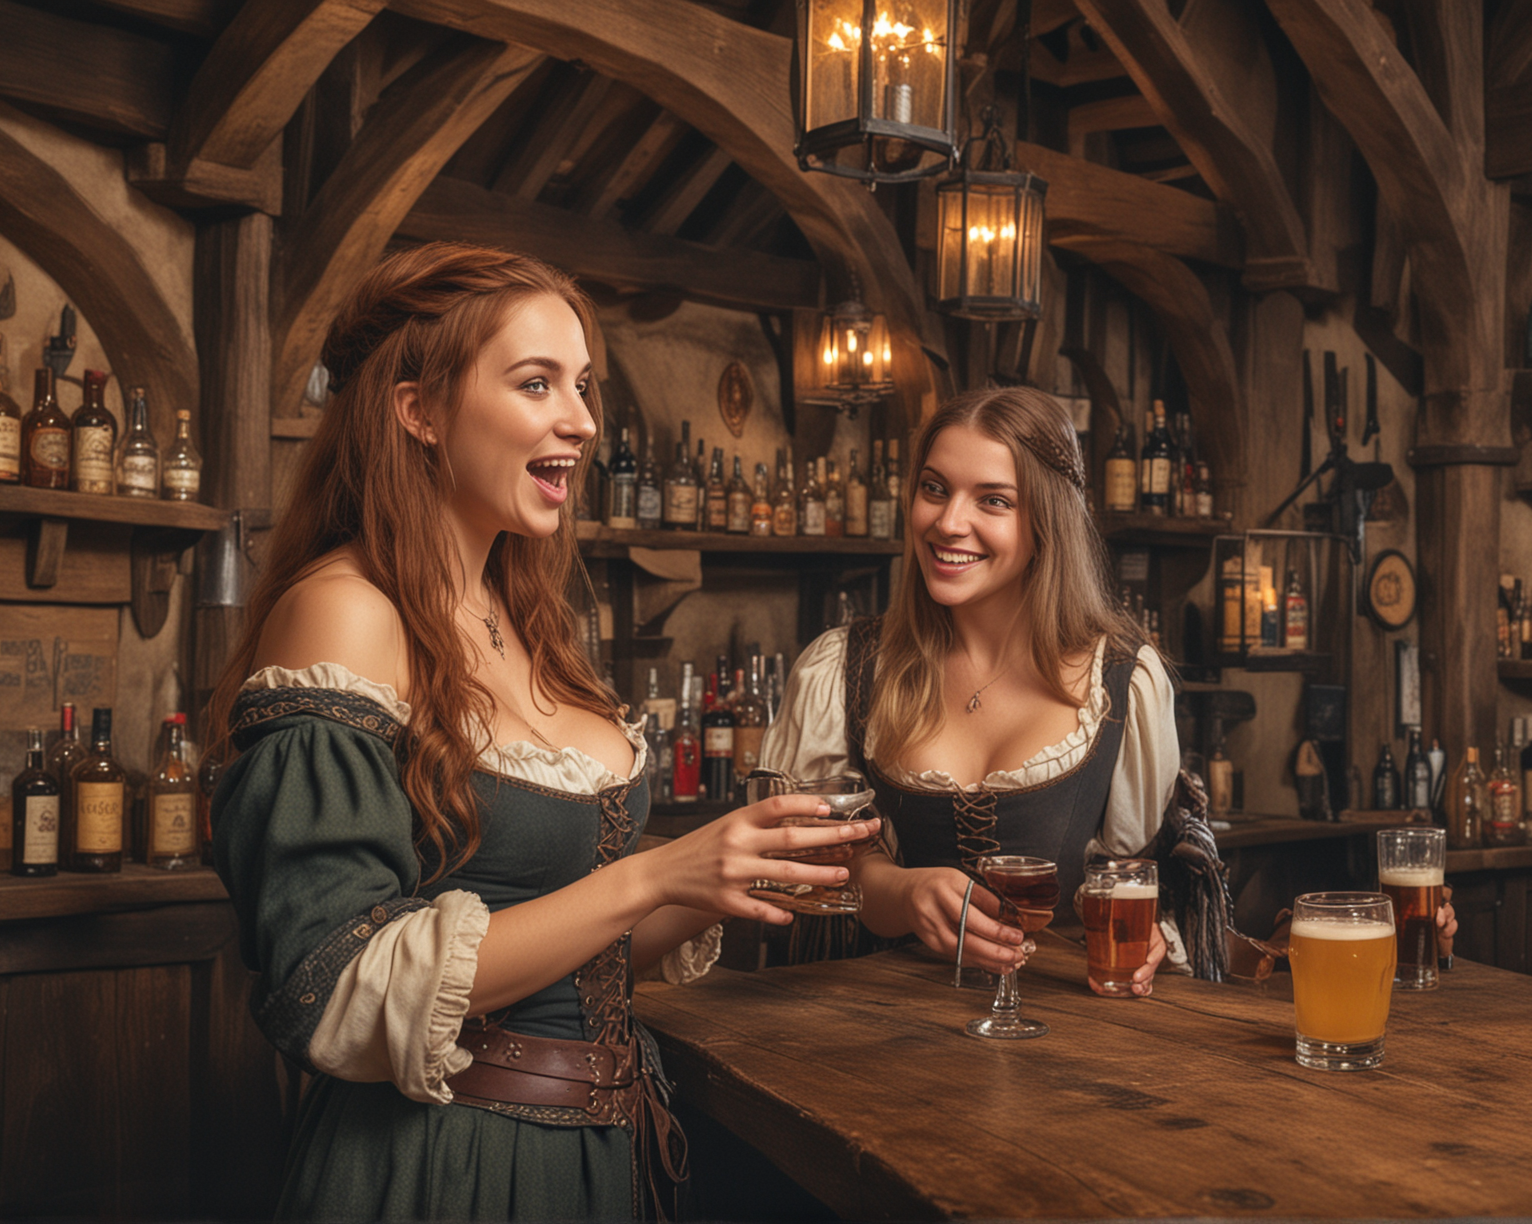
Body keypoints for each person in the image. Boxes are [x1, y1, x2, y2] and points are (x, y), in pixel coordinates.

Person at [207, 242, 875, 1220]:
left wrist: (728, 877)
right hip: (449, 1166)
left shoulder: (523, 618)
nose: (582, 421)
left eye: (584, 386)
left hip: (600, 1158)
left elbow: (583, 944)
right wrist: (655, 872)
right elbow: (330, 984)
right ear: (418, 410)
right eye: (536, 384)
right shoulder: (344, 613)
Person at [762, 386, 1181, 992]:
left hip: (1061, 1035)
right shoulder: (844, 669)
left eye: (993, 500)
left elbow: (1146, 879)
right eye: (935, 488)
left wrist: (1153, 933)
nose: (949, 522)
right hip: (870, 1025)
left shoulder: (1122, 682)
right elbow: (798, 863)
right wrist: (902, 891)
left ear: (1047, 522)